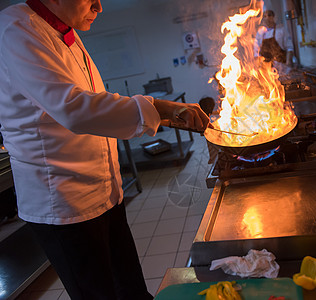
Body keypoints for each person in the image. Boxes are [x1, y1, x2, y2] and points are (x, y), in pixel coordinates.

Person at [0, 0, 209, 299]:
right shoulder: (16, 29)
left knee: (133, 292)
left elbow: (94, 98)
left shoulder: (64, 29)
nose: (99, 7)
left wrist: (161, 114)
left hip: (104, 192)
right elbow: (74, 108)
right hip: (65, 203)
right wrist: (157, 106)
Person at [254, 9, 295, 74]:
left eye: (269, 15)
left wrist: (288, 63)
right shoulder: (260, 32)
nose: (267, 18)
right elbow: (256, 52)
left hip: (281, 68)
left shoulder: (281, 30)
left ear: (274, 17)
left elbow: (290, 48)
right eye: (264, 16)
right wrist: (259, 66)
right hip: (266, 70)